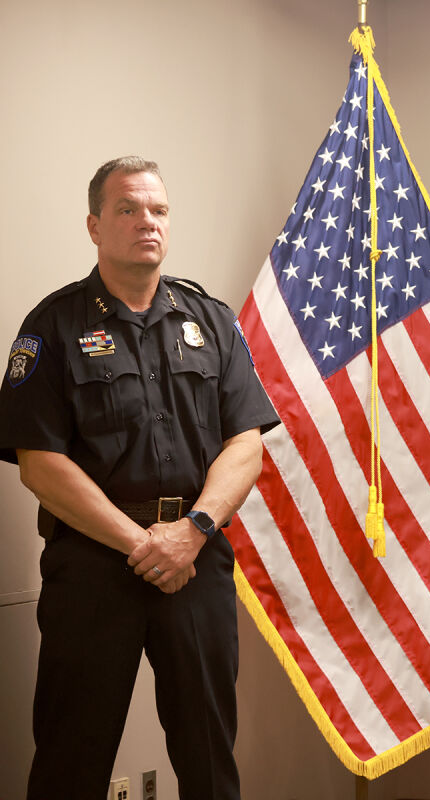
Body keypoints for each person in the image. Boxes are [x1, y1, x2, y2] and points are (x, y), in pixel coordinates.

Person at [0, 156, 279, 799]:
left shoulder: (209, 320)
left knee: (210, 754)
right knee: (72, 754)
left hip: (197, 557)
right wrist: (140, 543)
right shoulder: (54, 326)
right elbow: (40, 464)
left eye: (157, 209)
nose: (146, 222)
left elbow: (245, 444)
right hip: (95, 566)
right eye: (127, 209)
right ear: (94, 226)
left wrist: (193, 530)